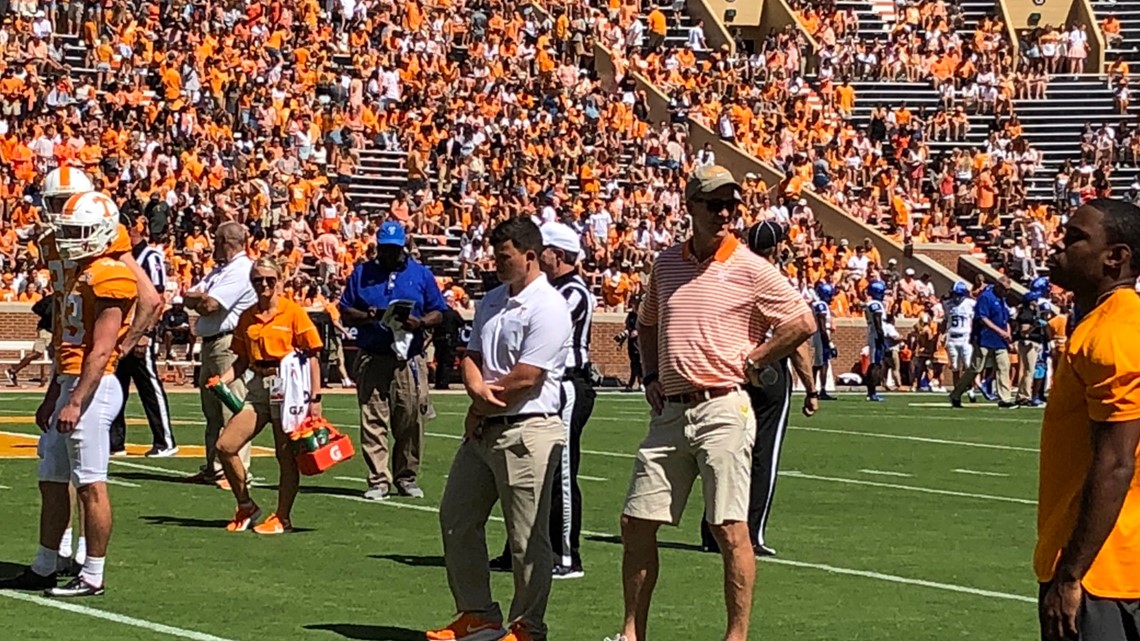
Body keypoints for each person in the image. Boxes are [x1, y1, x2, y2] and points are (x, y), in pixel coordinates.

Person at [608, 166, 814, 641]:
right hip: (671, 410)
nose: (724, 213)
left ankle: (735, 636)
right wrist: (653, 375)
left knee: (728, 526)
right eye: (714, 204)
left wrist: (757, 357)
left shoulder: (750, 266)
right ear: (691, 206)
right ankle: (631, 632)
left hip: (723, 405)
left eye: (731, 205)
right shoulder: (666, 265)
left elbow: (801, 322)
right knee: (635, 521)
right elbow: (647, 322)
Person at [428, 217, 571, 641]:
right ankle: (477, 612)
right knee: (456, 518)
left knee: (527, 537)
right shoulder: (492, 299)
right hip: (485, 427)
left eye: (504, 256)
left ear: (530, 256)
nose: (496, 264)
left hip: (528, 429)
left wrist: (481, 403)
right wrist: (474, 387)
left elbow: (528, 377)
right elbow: (470, 353)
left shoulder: (549, 306)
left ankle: (528, 625)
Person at [0, 192, 138, 597]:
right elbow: (68, 343)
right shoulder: (80, 272)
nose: (71, 239)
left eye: (80, 231)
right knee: (51, 477)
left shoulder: (112, 274)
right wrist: (53, 392)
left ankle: (92, 573)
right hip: (68, 381)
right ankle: (46, 564)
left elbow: (101, 348)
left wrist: (76, 399)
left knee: (90, 482)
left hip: (92, 386)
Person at [1036, 199, 1140, 641]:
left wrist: (1072, 574)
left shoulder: (1114, 331)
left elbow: (1117, 461)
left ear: (1115, 257)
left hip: (1104, 571)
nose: (1058, 248)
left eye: (1075, 238)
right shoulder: (1102, 324)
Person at [698, 219, 820, 558]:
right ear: (778, 247)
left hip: (734, 368)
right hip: (767, 371)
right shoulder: (773, 279)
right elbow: (796, 336)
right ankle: (750, 533)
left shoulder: (733, 273)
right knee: (763, 454)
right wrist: (811, 388)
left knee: (727, 451)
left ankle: (713, 529)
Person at [489, 221, 597, 578]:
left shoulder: (570, 293)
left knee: (560, 472)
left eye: (544, 250)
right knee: (524, 475)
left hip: (565, 385)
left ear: (558, 255)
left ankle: (567, 555)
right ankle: (515, 549)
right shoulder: (535, 292)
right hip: (545, 386)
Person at [212, 257, 324, 535]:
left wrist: (315, 398)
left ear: (280, 281)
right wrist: (222, 380)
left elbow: (312, 355)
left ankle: (283, 516)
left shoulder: (292, 312)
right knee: (225, 446)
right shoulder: (247, 316)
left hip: (288, 386)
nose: (264, 284)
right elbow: (240, 359)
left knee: (285, 455)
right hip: (258, 385)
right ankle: (246, 505)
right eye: (258, 279)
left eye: (269, 279)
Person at [339, 221, 446, 501]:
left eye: (395, 249)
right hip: (373, 354)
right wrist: (369, 316)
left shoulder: (420, 274)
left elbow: (440, 311)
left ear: (404, 246)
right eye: (385, 249)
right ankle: (378, 479)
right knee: (372, 419)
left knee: (410, 420)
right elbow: (345, 310)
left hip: (408, 358)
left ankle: (406, 476)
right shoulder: (362, 273)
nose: (390, 254)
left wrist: (419, 322)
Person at [181, 222, 257, 487]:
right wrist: (197, 299)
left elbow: (210, 304)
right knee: (212, 411)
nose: (213, 245)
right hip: (212, 343)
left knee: (231, 408)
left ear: (227, 241)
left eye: (216, 240)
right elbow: (188, 297)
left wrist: (198, 299)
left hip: (228, 344)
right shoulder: (220, 270)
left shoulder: (242, 270)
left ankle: (238, 471)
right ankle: (215, 467)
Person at [109, 217, 176, 457]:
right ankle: (115, 442)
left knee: (149, 386)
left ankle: (165, 441)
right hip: (121, 334)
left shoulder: (150, 257)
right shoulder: (120, 257)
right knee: (116, 386)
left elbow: (157, 299)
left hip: (139, 334)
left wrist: (146, 332)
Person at [949, 275, 1015, 408]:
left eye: (1008, 290)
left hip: (1000, 341)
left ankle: (1005, 399)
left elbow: (1005, 319)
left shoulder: (1002, 299)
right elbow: (983, 318)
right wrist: (999, 331)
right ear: (997, 286)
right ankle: (956, 393)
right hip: (984, 338)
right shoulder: (985, 297)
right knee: (976, 368)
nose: (1007, 292)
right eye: (1005, 289)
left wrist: (1007, 333)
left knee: (1004, 366)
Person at [6, 290, 52, 386]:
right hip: (46, 329)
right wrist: (48, 315)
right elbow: (35, 308)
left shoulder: (64, 299)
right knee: (37, 352)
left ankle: (46, 378)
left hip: (55, 331)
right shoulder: (51, 299)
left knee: (55, 354)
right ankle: (14, 369)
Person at [944, 281, 978, 401]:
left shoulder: (971, 304)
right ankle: (956, 392)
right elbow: (945, 321)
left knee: (969, 366)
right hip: (952, 337)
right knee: (955, 367)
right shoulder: (947, 304)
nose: (956, 297)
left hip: (966, 337)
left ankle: (970, 389)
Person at [1014, 291, 1047, 407]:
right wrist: (1034, 326)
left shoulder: (1031, 312)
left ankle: (1021, 395)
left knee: (1028, 370)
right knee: (1029, 370)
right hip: (1028, 343)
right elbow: (1024, 333)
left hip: (1033, 343)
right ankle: (1025, 396)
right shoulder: (1026, 314)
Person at [810, 281, 838, 400]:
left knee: (817, 363)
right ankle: (821, 389)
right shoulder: (821, 305)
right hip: (821, 336)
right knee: (823, 363)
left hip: (818, 335)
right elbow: (822, 326)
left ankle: (812, 388)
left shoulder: (818, 304)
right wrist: (830, 344)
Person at [432, 292, 465, 390]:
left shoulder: (438, 313)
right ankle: (443, 383)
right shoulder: (452, 313)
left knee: (439, 362)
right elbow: (461, 322)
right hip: (448, 340)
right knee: (447, 362)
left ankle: (438, 382)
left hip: (438, 340)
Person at [865, 280, 888, 402]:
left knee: (875, 363)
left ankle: (871, 392)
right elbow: (878, 321)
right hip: (875, 335)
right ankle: (872, 392)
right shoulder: (875, 305)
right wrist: (881, 336)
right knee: (875, 364)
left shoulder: (873, 304)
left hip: (873, 333)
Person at [159, 296, 192, 360]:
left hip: (182, 336)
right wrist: (176, 328)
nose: (179, 307)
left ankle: (190, 353)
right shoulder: (167, 313)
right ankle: (168, 354)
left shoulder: (184, 314)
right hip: (171, 337)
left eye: (181, 305)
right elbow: (165, 326)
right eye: (178, 305)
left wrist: (186, 328)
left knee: (192, 334)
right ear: (174, 305)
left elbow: (187, 324)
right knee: (168, 334)